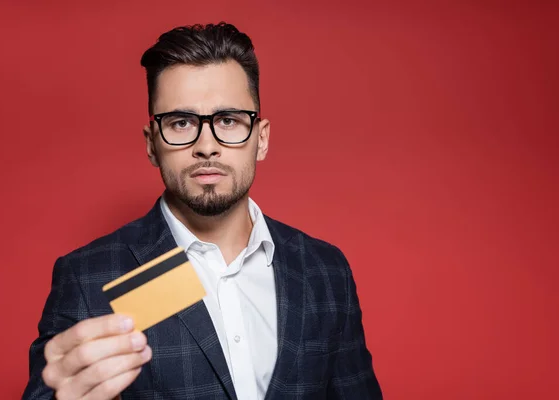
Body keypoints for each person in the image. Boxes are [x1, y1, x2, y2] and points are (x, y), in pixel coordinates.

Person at [22, 22, 383, 400]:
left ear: (261, 139)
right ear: (152, 144)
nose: (206, 146)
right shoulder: (87, 278)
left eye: (228, 120)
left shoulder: (326, 270)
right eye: (181, 123)